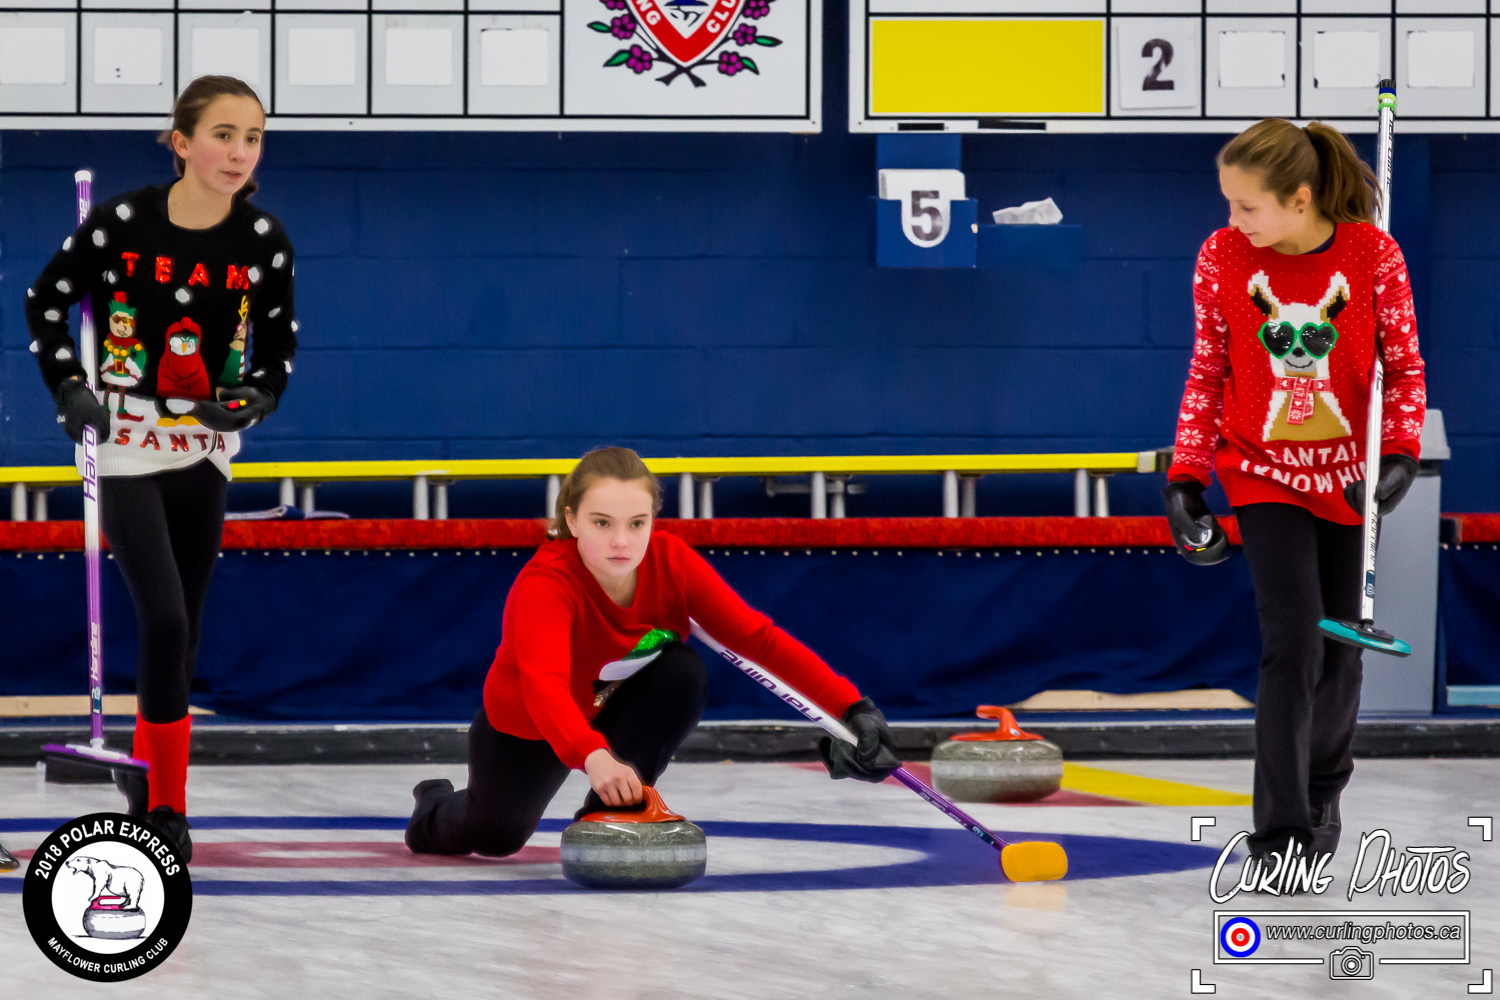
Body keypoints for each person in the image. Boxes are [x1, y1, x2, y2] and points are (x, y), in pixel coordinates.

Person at [25, 75, 298, 861]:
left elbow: (278, 348)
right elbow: (46, 302)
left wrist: (254, 400)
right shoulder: (121, 223)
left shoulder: (263, 239)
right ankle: (168, 812)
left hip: (204, 447)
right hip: (123, 442)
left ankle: (146, 778)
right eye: (223, 134)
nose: (239, 152)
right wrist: (68, 387)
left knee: (186, 637)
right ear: (181, 142)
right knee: (166, 619)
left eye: (252, 138)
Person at [406, 446, 901, 857]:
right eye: (602, 523)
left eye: (637, 523)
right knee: (495, 837)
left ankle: (609, 815)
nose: (621, 542)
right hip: (532, 723)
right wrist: (593, 756)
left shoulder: (672, 563)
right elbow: (544, 685)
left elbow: (758, 639)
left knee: (681, 671)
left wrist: (851, 709)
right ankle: (433, 804)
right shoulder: (545, 584)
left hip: (605, 698)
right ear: (572, 520)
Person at [1162, 119, 1426, 869]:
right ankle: (1279, 832)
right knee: (1293, 644)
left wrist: (1399, 456)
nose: (1233, 219)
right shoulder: (1221, 257)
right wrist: (1186, 477)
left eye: (1247, 206)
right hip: (1262, 472)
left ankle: (1321, 791)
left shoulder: (1373, 255)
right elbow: (1208, 368)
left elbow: (1404, 368)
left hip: (1349, 481)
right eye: (1229, 203)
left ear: (1300, 199)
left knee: (1341, 652)